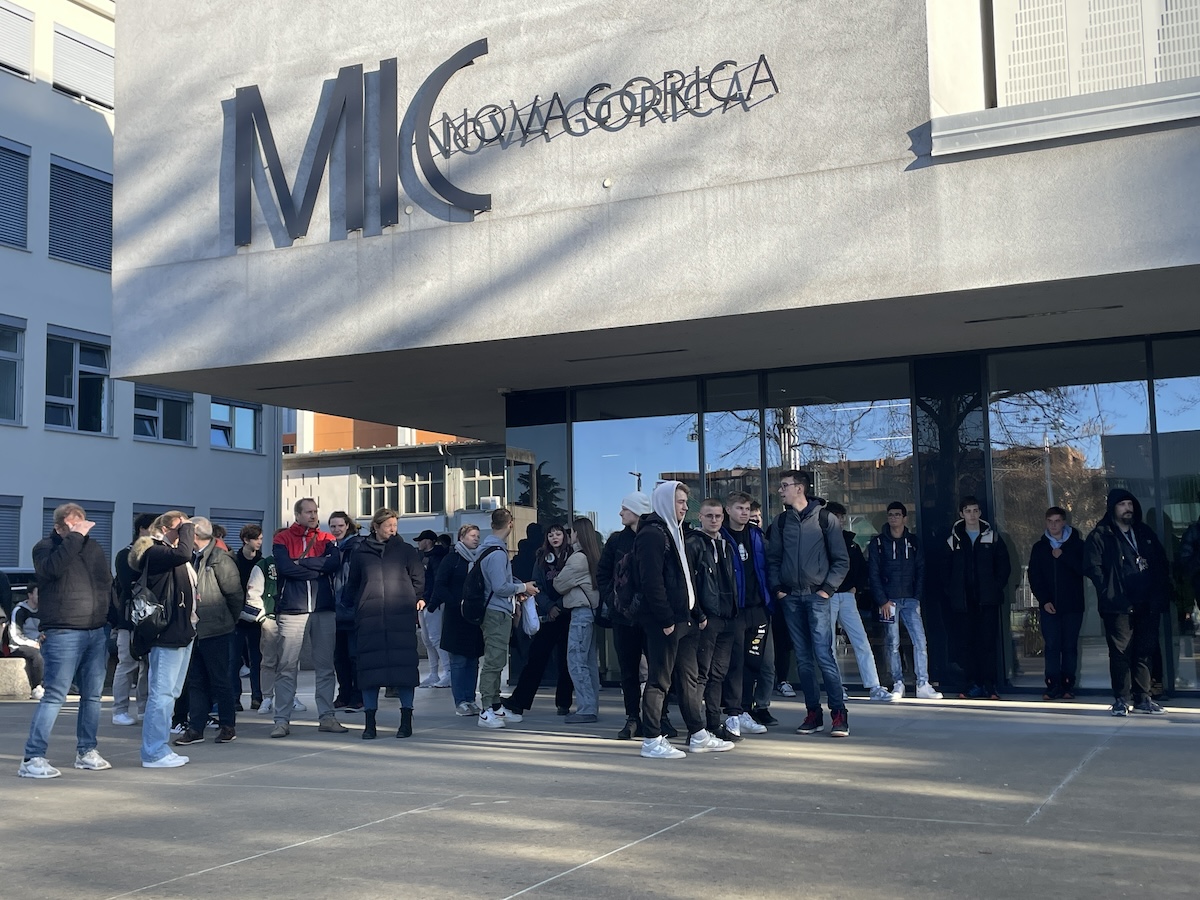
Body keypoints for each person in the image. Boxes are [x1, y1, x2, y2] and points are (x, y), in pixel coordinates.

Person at [636, 480, 733, 758]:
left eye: (685, 502)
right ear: (666, 502)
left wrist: (698, 613)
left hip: (686, 620)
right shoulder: (653, 535)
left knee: (689, 679)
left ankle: (698, 733)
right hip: (666, 622)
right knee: (659, 680)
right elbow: (651, 581)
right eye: (679, 502)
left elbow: (688, 578)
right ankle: (652, 740)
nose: (684, 507)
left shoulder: (676, 532)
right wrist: (666, 618)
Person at [19, 503, 114, 779]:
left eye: (83, 525)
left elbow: (104, 582)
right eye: (75, 526)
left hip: (95, 630)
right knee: (55, 696)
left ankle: (87, 751)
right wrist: (73, 538)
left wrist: (110, 617)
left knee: (93, 696)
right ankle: (32, 757)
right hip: (63, 631)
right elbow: (52, 570)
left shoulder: (93, 548)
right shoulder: (45, 547)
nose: (82, 530)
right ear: (60, 526)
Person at [767, 472, 851, 737]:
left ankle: (839, 714)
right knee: (803, 660)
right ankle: (813, 713)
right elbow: (773, 560)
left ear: (799, 488)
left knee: (824, 656)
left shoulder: (825, 519)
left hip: (817, 597)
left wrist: (826, 590)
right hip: (791, 598)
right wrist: (779, 589)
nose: (780, 491)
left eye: (784, 486)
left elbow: (841, 560)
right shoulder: (780, 522)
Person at [1085, 489, 1171, 716]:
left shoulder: (1144, 533)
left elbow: (1161, 564)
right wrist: (1107, 591)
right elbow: (1093, 567)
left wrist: (1158, 595)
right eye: (1122, 504)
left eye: (1130, 504)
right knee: (1121, 652)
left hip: (1147, 604)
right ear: (1113, 507)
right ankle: (1121, 699)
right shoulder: (1101, 535)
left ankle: (1143, 697)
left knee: (1144, 651)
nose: (1127, 508)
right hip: (1118, 605)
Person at [345, 508, 426, 739]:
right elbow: (353, 584)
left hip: (400, 616)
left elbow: (418, 577)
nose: (393, 529)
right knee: (370, 672)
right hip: (369, 618)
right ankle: (370, 723)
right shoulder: (361, 553)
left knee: (404, 671)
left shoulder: (406, 551)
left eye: (395, 524)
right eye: (388, 525)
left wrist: (418, 597)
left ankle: (406, 721)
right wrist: (355, 606)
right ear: (376, 526)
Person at [270, 498, 346, 738]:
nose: (313, 516)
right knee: (287, 666)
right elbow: (284, 568)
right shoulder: (282, 538)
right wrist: (317, 567)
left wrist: (301, 563)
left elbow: (333, 564)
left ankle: (327, 716)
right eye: (309, 512)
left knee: (325, 667)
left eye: (315, 511)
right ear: (298, 514)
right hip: (292, 610)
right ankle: (281, 720)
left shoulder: (326, 538)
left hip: (323, 608)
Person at [132, 511, 199, 769]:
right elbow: (184, 552)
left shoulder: (172, 556)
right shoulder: (154, 551)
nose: (187, 534)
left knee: (172, 692)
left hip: (183, 630)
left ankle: (159, 747)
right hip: (166, 633)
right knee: (161, 694)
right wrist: (188, 527)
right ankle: (153, 751)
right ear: (167, 528)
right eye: (181, 528)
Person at [173, 518, 244, 746]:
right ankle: (196, 728)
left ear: (194, 535)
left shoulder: (220, 559)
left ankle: (227, 725)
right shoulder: (192, 557)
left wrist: (226, 621)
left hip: (216, 629)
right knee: (195, 680)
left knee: (220, 679)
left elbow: (234, 594)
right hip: (194, 629)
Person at [598, 492, 662, 740]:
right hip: (623, 616)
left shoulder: (656, 536)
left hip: (651, 615)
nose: (620, 513)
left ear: (636, 511)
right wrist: (612, 599)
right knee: (628, 670)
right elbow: (602, 573)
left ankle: (658, 717)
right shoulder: (616, 541)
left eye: (624, 508)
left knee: (658, 670)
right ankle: (633, 717)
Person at [868, 501, 940, 700]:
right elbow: (873, 573)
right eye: (890, 515)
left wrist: (916, 597)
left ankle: (922, 684)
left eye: (897, 514)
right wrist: (882, 600)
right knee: (892, 643)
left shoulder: (914, 542)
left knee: (920, 642)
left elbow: (921, 570)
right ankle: (898, 683)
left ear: (904, 518)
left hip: (910, 599)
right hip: (888, 601)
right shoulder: (878, 543)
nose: (893, 518)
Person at [687, 498, 744, 743]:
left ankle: (713, 723)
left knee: (718, 674)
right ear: (700, 516)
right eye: (709, 516)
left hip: (727, 617)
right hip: (707, 617)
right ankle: (696, 729)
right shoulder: (694, 543)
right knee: (701, 674)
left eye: (718, 516)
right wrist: (698, 613)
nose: (714, 520)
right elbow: (689, 582)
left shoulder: (726, 544)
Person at [944, 496, 1012, 700]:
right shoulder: (953, 540)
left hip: (987, 601)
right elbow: (945, 571)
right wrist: (953, 592)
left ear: (980, 513)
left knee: (988, 644)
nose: (972, 515)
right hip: (964, 602)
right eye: (968, 511)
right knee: (967, 644)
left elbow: (1004, 567)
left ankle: (990, 685)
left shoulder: (993, 537)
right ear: (961, 514)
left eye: (975, 510)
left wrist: (994, 587)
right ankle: (972, 683)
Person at [720, 491, 777, 732]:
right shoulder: (719, 536)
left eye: (747, 509)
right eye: (739, 508)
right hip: (734, 610)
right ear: (728, 510)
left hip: (759, 609)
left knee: (756, 662)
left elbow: (770, 566)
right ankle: (732, 712)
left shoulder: (756, 536)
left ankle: (746, 709)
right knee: (735, 663)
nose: (744, 513)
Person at [504, 524, 574, 717]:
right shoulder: (541, 558)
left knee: (566, 661)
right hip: (548, 616)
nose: (554, 537)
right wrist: (549, 606)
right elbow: (537, 585)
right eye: (550, 534)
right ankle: (519, 701)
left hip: (568, 615)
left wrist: (559, 606)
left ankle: (564, 702)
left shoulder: (572, 557)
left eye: (558, 534)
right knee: (536, 657)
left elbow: (574, 584)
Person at [477, 508, 537, 729]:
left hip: (496, 610)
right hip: (496, 611)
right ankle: (485, 709)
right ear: (510, 524)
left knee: (497, 659)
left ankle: (494, 706)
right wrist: (523, 587)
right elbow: (500, 587)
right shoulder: (497, 552)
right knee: (494, 660)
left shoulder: (490, 548)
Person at [1028, 506, 1086, 701]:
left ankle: (1068, 685)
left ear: (1064, 522)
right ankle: (1052, 685)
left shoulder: (1077, 545)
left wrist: (1064, 556)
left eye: (1057, 521)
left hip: (1073, 605)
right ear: (1046, 523)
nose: (1053, 525)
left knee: (1069, 646)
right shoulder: (1040, 547)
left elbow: (1084, 569)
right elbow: (1034, 577)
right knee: (1052, 646)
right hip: (1049, 606)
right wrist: (1044, 601)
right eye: (1050, 521)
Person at [554, 518, 603, 724]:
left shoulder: (577, 559)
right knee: (589, 662)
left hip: (580, 613)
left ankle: (586, 708)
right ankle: (591, 705)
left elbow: (558, 583)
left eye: (571, 532)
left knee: (576, 660)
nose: (568, 535)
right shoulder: (593, 555)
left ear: (577, 534)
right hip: (590, 613)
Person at [433, 523, 484, 716]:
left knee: (473, 659)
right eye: (472, 535)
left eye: (478, 536)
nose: (476, 539)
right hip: (456, 616)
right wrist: (455, 602)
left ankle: (470, 698)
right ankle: (460, 700)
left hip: (474, 616)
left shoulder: (480, 559)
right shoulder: (452, 559)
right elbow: (440, 585)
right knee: (459, 661)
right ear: (462, 538)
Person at [111, 513, 156, 725]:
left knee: (148, 665)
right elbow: (128, 583)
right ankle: (119, 709)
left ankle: (144, 707)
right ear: (142, 529)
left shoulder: (158, 553)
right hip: (129, 619)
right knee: (127, 664)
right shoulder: (125, 554)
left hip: (150, 619)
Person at [329, 511, 365, 711]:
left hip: (351, 609)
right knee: (339, 657)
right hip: (334, 611)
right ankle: (344, 693)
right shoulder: (333, 548)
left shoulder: (356, 547)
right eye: (333, 526)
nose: (336, 530)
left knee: (354, 655)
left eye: (340, 526)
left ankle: (357, 694)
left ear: (347, 526)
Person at [231, 523, 266, 711]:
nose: (260, 542)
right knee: (234, 659)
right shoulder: (234, 561)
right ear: (246, 540)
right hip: (237, 617)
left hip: (256, 617)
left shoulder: (262, 562)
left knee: (256, 658)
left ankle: (257, 696)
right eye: (257, 539)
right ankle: (235, 697)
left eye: (261, 538)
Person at [414, 529, 451, 688]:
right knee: (428, 640)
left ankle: (448, 673)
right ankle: (434, 674)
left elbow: (436, 583)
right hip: (425, 603)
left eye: (420, 540)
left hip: (432, 604)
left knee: (436, 638)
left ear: (427, 541)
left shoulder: (436, 558)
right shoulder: (425, 558)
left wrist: (429, 601)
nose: (418, 543)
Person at [247, 551, 280, 716]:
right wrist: (261, 616)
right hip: (270, 617)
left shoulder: (295, 561)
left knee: (290, 661)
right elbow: (253, 592)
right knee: (268, 660)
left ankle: (289, 695)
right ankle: (267, 696)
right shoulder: (265, 565)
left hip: (292, 616)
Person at [7, 586, 44, 699]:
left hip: (38, 643)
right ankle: (36, 686)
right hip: (18, 646)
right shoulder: (19, 611)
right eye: (38, 594)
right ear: (30, 595)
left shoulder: (43, 610)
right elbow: (15, 635)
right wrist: (33, 643)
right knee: (37, 655)